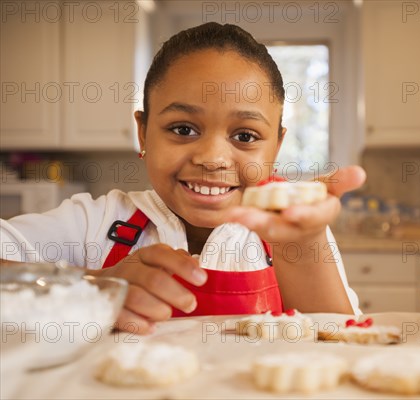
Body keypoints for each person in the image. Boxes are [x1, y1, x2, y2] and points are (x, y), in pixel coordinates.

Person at [0, 22, 366, 335]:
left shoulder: (293, 230)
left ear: (276, 146)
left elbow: (336, 341)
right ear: (143, 133)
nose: (211, 158)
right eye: (183, 128)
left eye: (245, 136)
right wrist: (95, 287)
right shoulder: (96, 222)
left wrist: (304, 243)